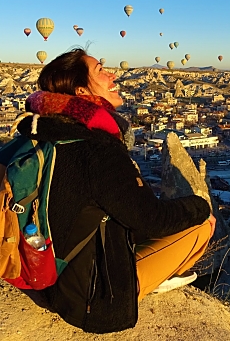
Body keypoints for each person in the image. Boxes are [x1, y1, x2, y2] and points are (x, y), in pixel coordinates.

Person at [15, 48, 216, 334]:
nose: (113, 75)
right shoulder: (96, 146)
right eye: (100, 70)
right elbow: (151, 218)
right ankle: (147, 283)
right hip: (89, 298)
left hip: (47, 269)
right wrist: (200, 207)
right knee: (200, 228)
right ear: (82, 90)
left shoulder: (46, 131)